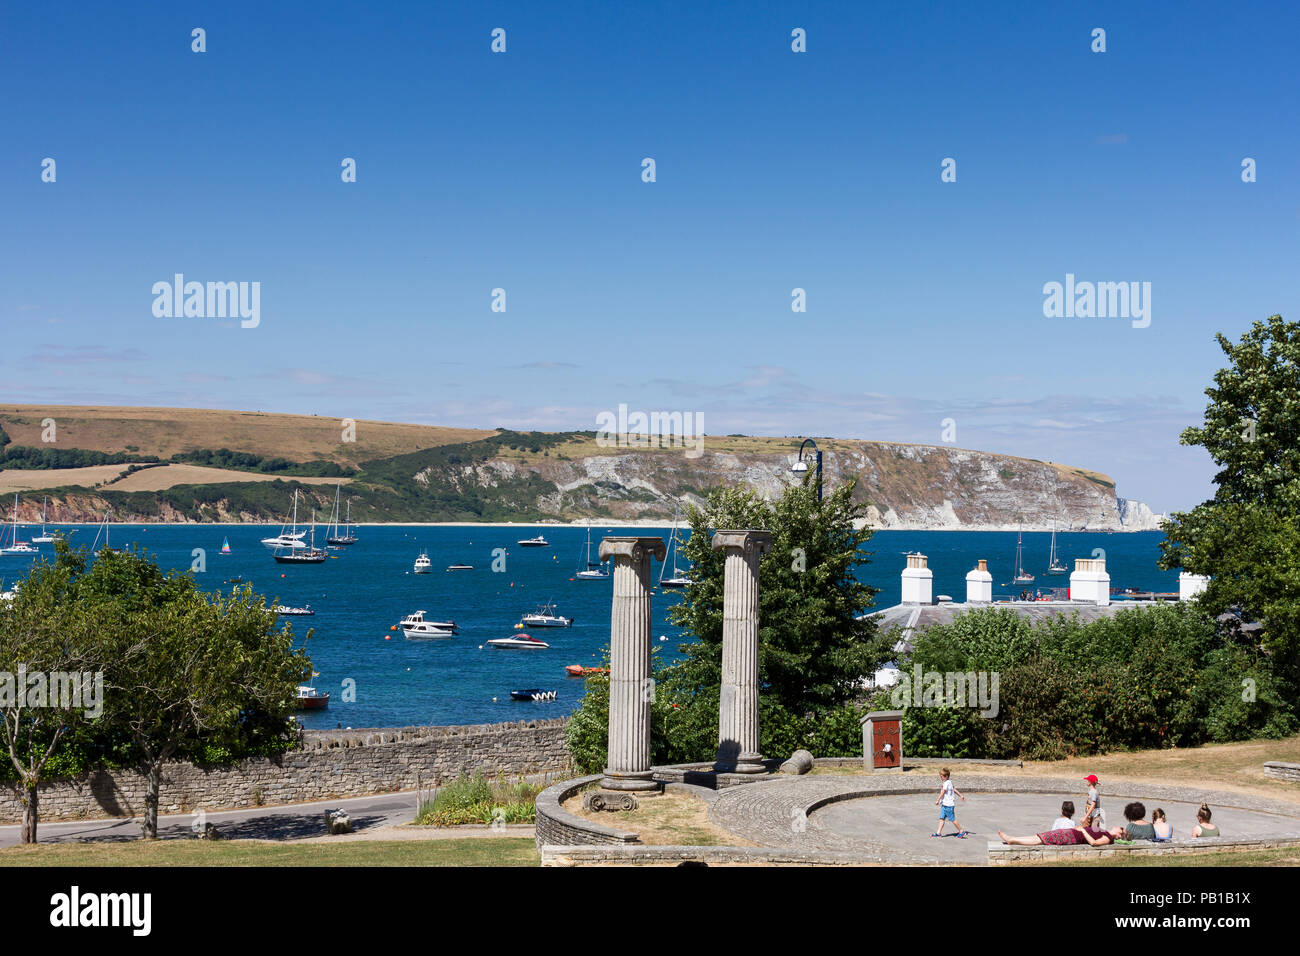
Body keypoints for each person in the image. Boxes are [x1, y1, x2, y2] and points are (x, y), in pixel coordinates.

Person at [998, 825, 1123, 846]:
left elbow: (1094, 843)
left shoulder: (1109, 838)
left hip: (1071, 837)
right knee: (1041, 836)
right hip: (1070, 832)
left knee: (1043, 840)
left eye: (1121, 829)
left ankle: (1012, 840)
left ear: (1119, 834)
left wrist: (1083, 831)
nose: (1119, 826)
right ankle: (1013, 839)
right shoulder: (1105, 831)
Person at [932, 767, 967, 838]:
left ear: (946, 776)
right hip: (944, 805)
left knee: (952, 819)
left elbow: (943, 792)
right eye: (940, 776)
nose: (941, 778)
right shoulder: (949, 782)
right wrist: (961, 795)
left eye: (942, 776)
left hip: (948, 805)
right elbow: (954, 789)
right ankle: (938, 833)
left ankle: (961, 831)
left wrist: (938, 800)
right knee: (941, 818)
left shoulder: (946, 783)